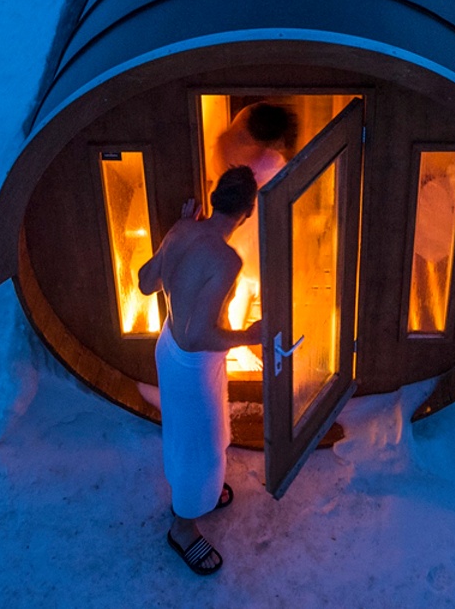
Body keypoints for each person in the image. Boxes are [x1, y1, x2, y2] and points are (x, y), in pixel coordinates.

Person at [137, 166, 264, 576]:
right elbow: (198, 336)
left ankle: (202, 492)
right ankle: (183, 526)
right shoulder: (226, 261)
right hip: (191, 362)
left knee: (195, 432)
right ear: (247, 212)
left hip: (169, 349)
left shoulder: (181, 230)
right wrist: (249, 336)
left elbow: (144, 283)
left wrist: (173, 238)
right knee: (199, 447)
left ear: (213, 198)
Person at [215, 104, 294, 339]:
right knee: (246, 275)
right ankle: (241, 335)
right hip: (249, 214)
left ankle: (240, 332)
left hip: (240, 210)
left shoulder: (237, 131)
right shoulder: (269, 161)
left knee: (245, 277)